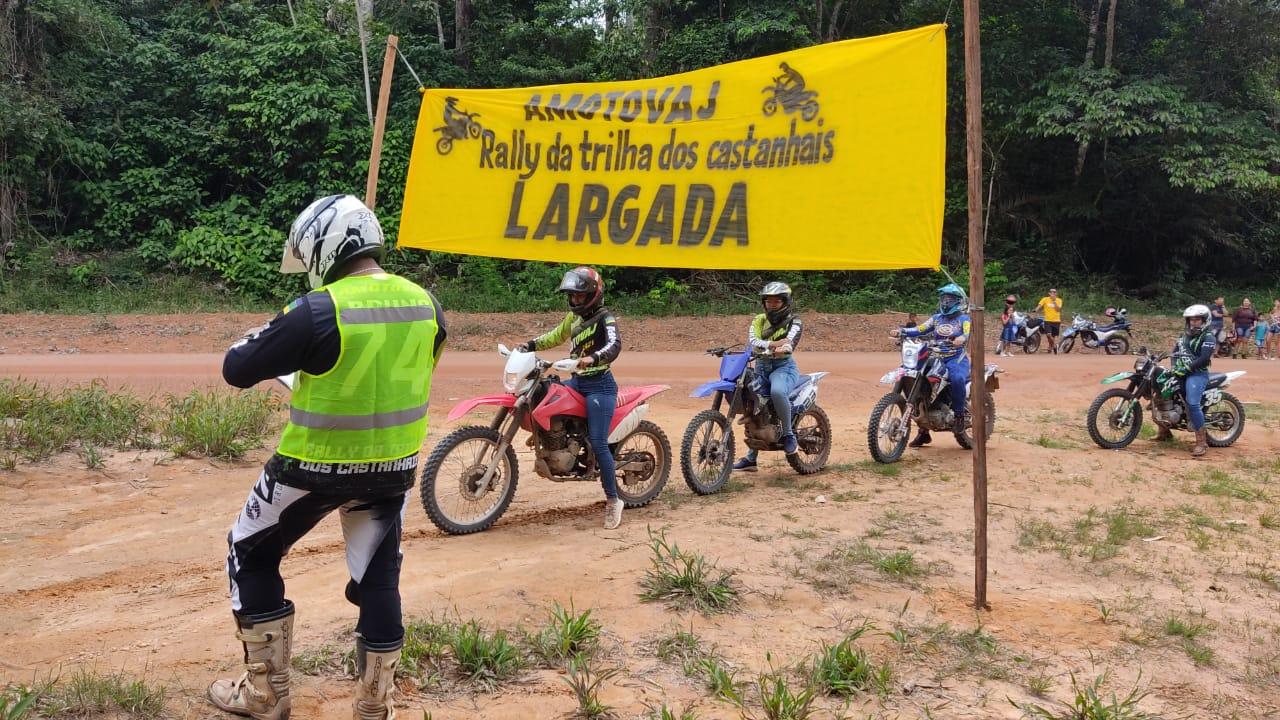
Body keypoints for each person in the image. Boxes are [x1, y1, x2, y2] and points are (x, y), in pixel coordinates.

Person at [210, 195, 446, 720]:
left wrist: (273, 330)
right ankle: (373, 704)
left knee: (249, 552)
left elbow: (238, 367)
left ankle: (265, 695)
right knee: (379, 578)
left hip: (311, 467)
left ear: (323, 246)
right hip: (392, 470)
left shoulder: (318, 308)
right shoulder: (427, 304)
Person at [520, 267, 624, 528]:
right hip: (577, 381)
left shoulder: (605, 318)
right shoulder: (573, 319)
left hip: (600, 386)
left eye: (580, 296)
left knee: (600, 444)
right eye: (572, 297)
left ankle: (613, 501)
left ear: (593, 294)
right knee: (547, 394)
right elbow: (555, 336)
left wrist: (593, 359)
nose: (575, 301)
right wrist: (529, 345)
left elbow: (614, 345)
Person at [732, 282, 804, 472]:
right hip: (761, 368)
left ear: (785, 302)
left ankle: (789, 435)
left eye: (776, 301)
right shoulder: (759, 320)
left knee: (778, 392)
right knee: (753, 406)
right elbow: (754, 341)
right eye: (768, 301)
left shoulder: (794, 321)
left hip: (784, 368)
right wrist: (773, 345)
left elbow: (789, 343)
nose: (772, 305)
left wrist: (781, 346)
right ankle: (751, 459)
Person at [889, 283, 971, 447]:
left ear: (959, 301)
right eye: (944, 298)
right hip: (935, 357)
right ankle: (924, 432)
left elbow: (967, 332)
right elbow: (920, 329)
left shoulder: (964, 319)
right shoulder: (936, 318)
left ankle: (960, 416)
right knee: (920, 382)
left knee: (956, 379)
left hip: (956, 358)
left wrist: (962, 338)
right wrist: (902, 331)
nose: (946, 302)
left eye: (950, 299)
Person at [1164, 304, 1216, 457]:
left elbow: (1204, 358)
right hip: (1181, 372)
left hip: (1197, 374)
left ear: (1204, 320)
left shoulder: (1208, 337)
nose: (1193, 322)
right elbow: (1174, 352)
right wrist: (1174, 368)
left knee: (1192, 403)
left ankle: (1201, 442)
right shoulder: (1184, 336)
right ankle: (1164, 431)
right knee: (1162, 392)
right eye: (1191, 320)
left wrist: (1187, 369)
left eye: (1197, 319)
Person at [1033, 288, 1063, 354]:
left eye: (1054, 292)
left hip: (1056, 320)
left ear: (1056, 293)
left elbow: (1058, 310)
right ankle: (1055, 346)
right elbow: (1040, 305)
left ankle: (1050, 347)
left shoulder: (1059, 300)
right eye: (1051, 292)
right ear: (1049, 293)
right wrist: (1035, 310)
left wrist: (1054, 302)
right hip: (1047, 320)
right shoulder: (1045, 299)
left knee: (1053, 336)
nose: (1053, 293)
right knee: (1048, 335)